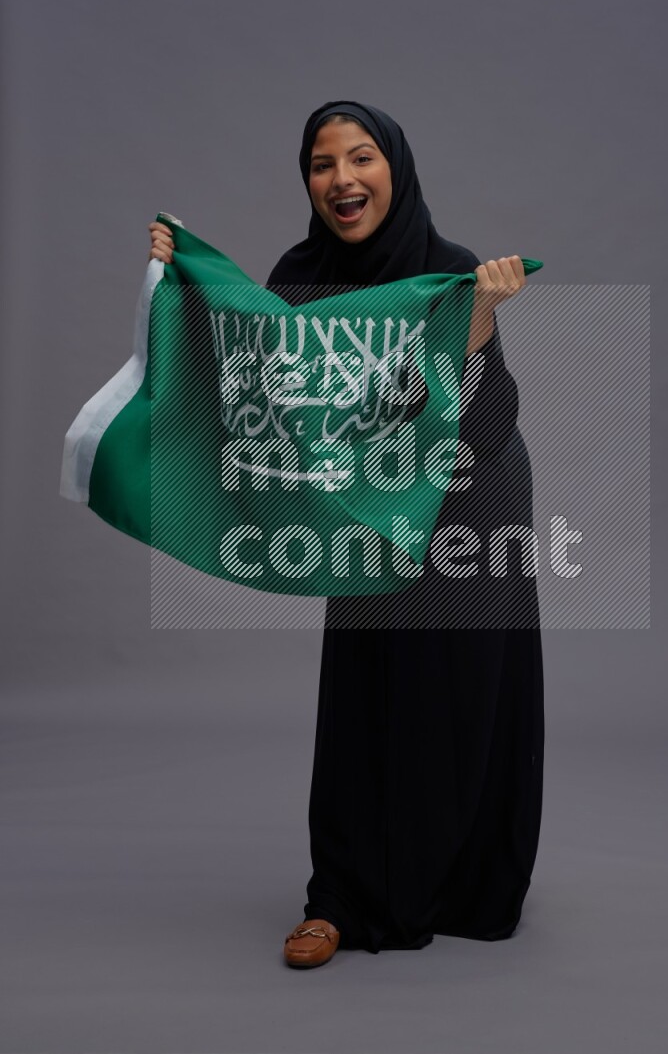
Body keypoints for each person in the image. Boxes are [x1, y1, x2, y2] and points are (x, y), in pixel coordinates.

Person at [146, 99, 545, 969]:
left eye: (360, 158)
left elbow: (477, 429)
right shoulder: (298, 277)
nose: (342, 179)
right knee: (371, 687)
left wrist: (476, 321)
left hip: (472, 504)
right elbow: (260, 399)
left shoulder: (449, 270)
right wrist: (182, 283)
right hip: (370, 511)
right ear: (309, 181)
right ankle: (346, 896)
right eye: (323, 165)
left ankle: (468, 883)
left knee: (465, 689)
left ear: (393, 169)